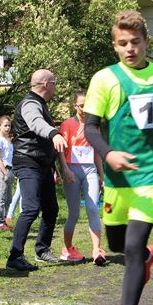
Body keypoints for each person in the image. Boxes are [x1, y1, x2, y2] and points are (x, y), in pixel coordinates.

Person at [84, 10, 153, 305]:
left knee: (133, 247)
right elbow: (90, 128)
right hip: (117, 177)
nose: (130, 49)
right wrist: (108, 153)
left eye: (135, 42)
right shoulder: (105, 79)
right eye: (123, 43)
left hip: (151, 174)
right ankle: (145, 258)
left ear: (146, 42)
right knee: (116, 245)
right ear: (114, 45)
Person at [5, 69, 67, 271]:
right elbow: (35, 123)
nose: (56, 87)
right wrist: (54, 133)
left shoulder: (41, 104)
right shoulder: (30, 103)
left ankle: (42, 250)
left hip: (43, 164)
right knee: (31, 208)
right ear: (46, 85)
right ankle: (15, 256)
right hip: (28, 162)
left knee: (51, 208)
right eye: (54, 83)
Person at [58, 89, 105, 264]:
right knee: (74, 214)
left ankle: (96, 250)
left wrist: (102, 176)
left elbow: (97, 153)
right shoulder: (67, 124)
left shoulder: (94, 126)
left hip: (90, 170)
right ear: (75, 106)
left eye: (88, 105)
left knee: (93, 208)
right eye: (81, 105)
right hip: (72, 170)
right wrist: (65, 170)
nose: (85, 109)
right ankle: (68, 248)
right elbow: (61, 150)